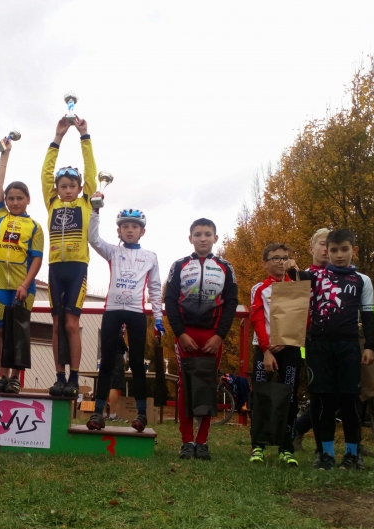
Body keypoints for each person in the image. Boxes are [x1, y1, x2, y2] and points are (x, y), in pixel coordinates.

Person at [287, 229, 374, 470]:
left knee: (350, 401)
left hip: (348, 345)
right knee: (323, 401)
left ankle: (351, 453)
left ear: (353, 250)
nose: (338, 255)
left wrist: (370, 346)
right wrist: (288, 265)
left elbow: (368, 315)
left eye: (344, 249)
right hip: (318, 346)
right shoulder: (315, 278)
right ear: (327, 251)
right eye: (333, 250)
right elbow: (293, 276)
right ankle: (325, 454)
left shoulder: (362, 280)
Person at [165, 218, 238, 460]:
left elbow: (231, 304)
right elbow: (170, 302)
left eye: (208, 234)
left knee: (207, 385)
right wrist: (180, 334)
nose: (203, 238)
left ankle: (202, 442)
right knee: (185, 386)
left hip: (212, 336)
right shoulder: (179, 265)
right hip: (186, 335)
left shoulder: (226, 267)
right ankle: (186, 441)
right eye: (198, 234)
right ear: (190, 238)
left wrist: (219, 336)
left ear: (216, 238)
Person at [85, 205, 162, 432]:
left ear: (142, 231)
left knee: (137, 363)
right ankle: (98, 414)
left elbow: (156, 288)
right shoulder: (113, 252)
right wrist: (95, 211)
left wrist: (158, 318)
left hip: (137, 313)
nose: (130, 230)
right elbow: (93, 239)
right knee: (107, 362)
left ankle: (141, 414)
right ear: (119, 231)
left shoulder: (150, 257)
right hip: (113, 311)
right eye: (125, 226)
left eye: (135, 227)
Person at [42, 115, 96, 397]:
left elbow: (90, 170)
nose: (66, 190)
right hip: (54, 268)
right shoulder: (51, 202)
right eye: (62, 186)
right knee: (56, 324)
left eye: (71, 186)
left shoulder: (86, 202)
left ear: (78, 188)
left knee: (71, 324)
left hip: (77, 268)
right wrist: (58, 137)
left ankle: (74, 378)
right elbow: (45, 173)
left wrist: (83, 135)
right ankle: (59, 375)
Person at [0, 138, 44, 393]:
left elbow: (37, 258)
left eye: (19, 198)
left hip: (24, 285)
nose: (14, 202)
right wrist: (5, 154)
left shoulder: (34, 226)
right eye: (10, 198)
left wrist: (25, 284)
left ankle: (15, 378)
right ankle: (2, 375)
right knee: (2, 331)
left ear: (28, 200)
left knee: (19, 330)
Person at [248, 243, 303, 466]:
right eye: (276, 258)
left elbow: (303, 319)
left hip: (290, 349)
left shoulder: (297, 286)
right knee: (260, 396)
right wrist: (266, 349)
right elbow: (257, 319)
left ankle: (286, 447)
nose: (281, 262)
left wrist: (285, 340)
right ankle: (258, 446)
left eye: (285, 257)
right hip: (264, 349)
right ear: (265, 264)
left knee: (290, 397)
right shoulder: (259, 288)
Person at [293, 227, 330, 456]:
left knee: (342, 392)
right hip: (308, 340)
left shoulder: (344, 277)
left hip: (339, 340)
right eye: (323, 244)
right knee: (319, 390)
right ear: (311, 248)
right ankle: (305, 434)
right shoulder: (302, 276)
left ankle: (300, 428)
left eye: (332, 245)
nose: (327, 249)